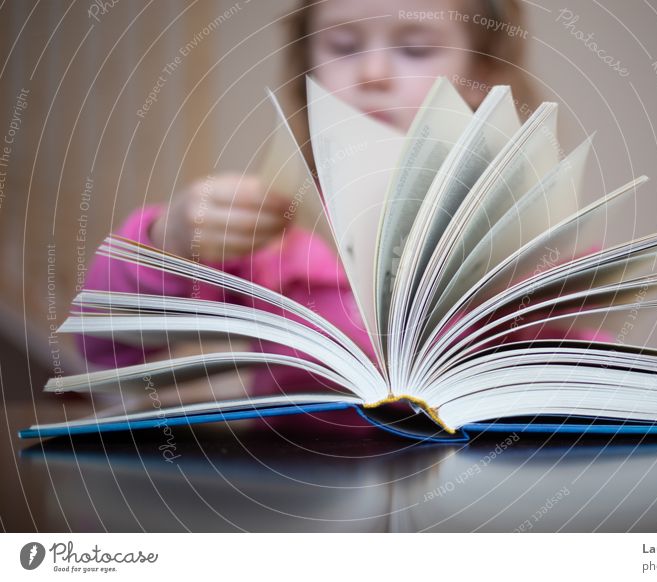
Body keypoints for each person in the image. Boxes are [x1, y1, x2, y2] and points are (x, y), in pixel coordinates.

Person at [81, 0, 598, 433]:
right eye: (343, 47)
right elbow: (104, 346)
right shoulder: (265, 245)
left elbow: (580, 387)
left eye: (414, 48)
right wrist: (169, 237)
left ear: (479, 77)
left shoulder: (526, 250)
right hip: (290, 502)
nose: (371, 73)